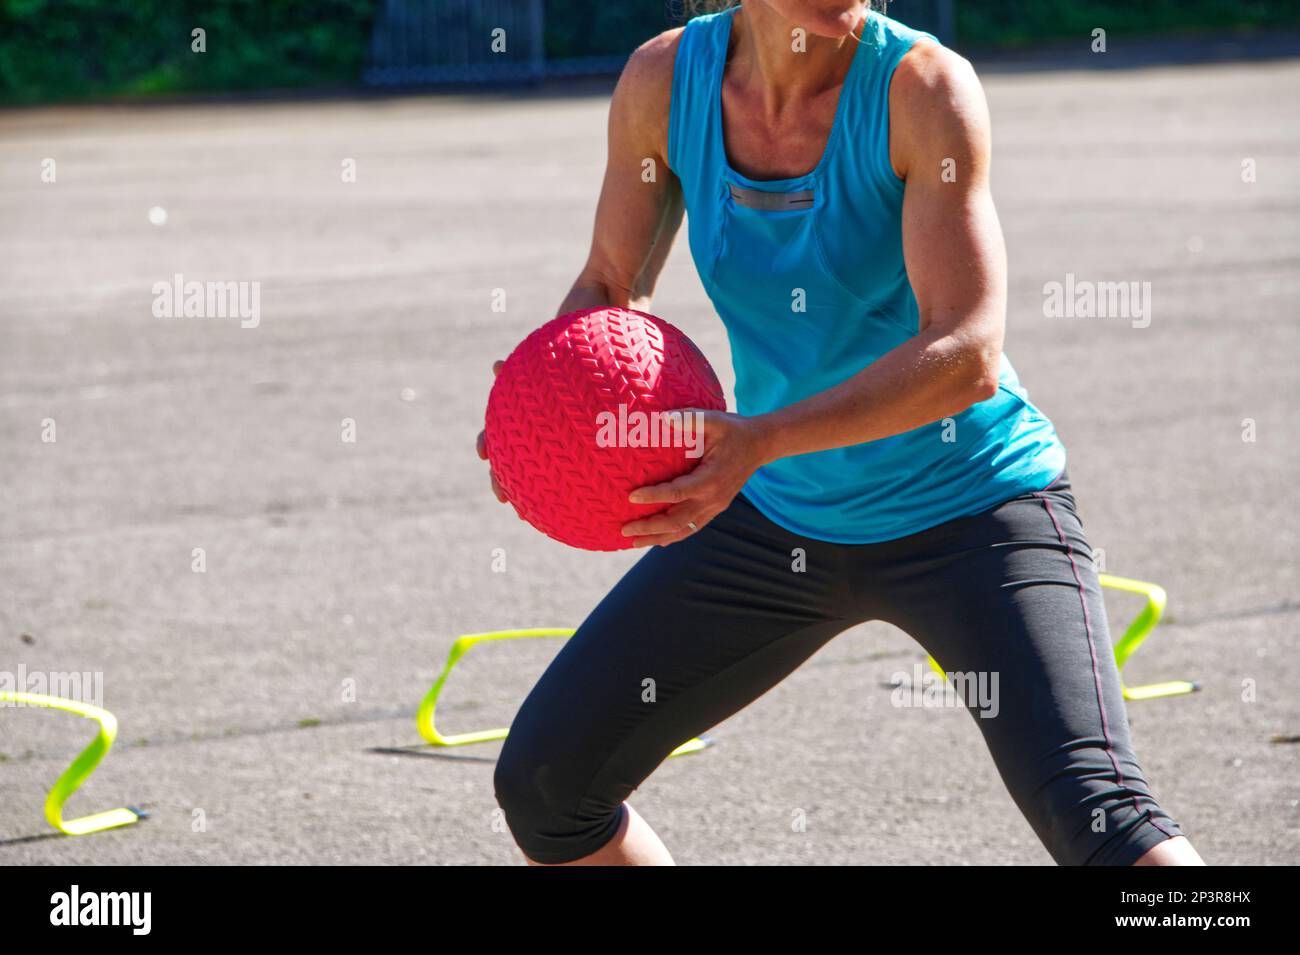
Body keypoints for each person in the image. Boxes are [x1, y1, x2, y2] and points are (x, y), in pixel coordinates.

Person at [475, 0, 1204, 865]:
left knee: (1101, 816)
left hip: (972, 509)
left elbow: (966, 351)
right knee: (548, 786)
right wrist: (541, 414)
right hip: (781, 517)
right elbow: (608, 284)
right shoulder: (665, 83)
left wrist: (760, 439)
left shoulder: (924, 90)